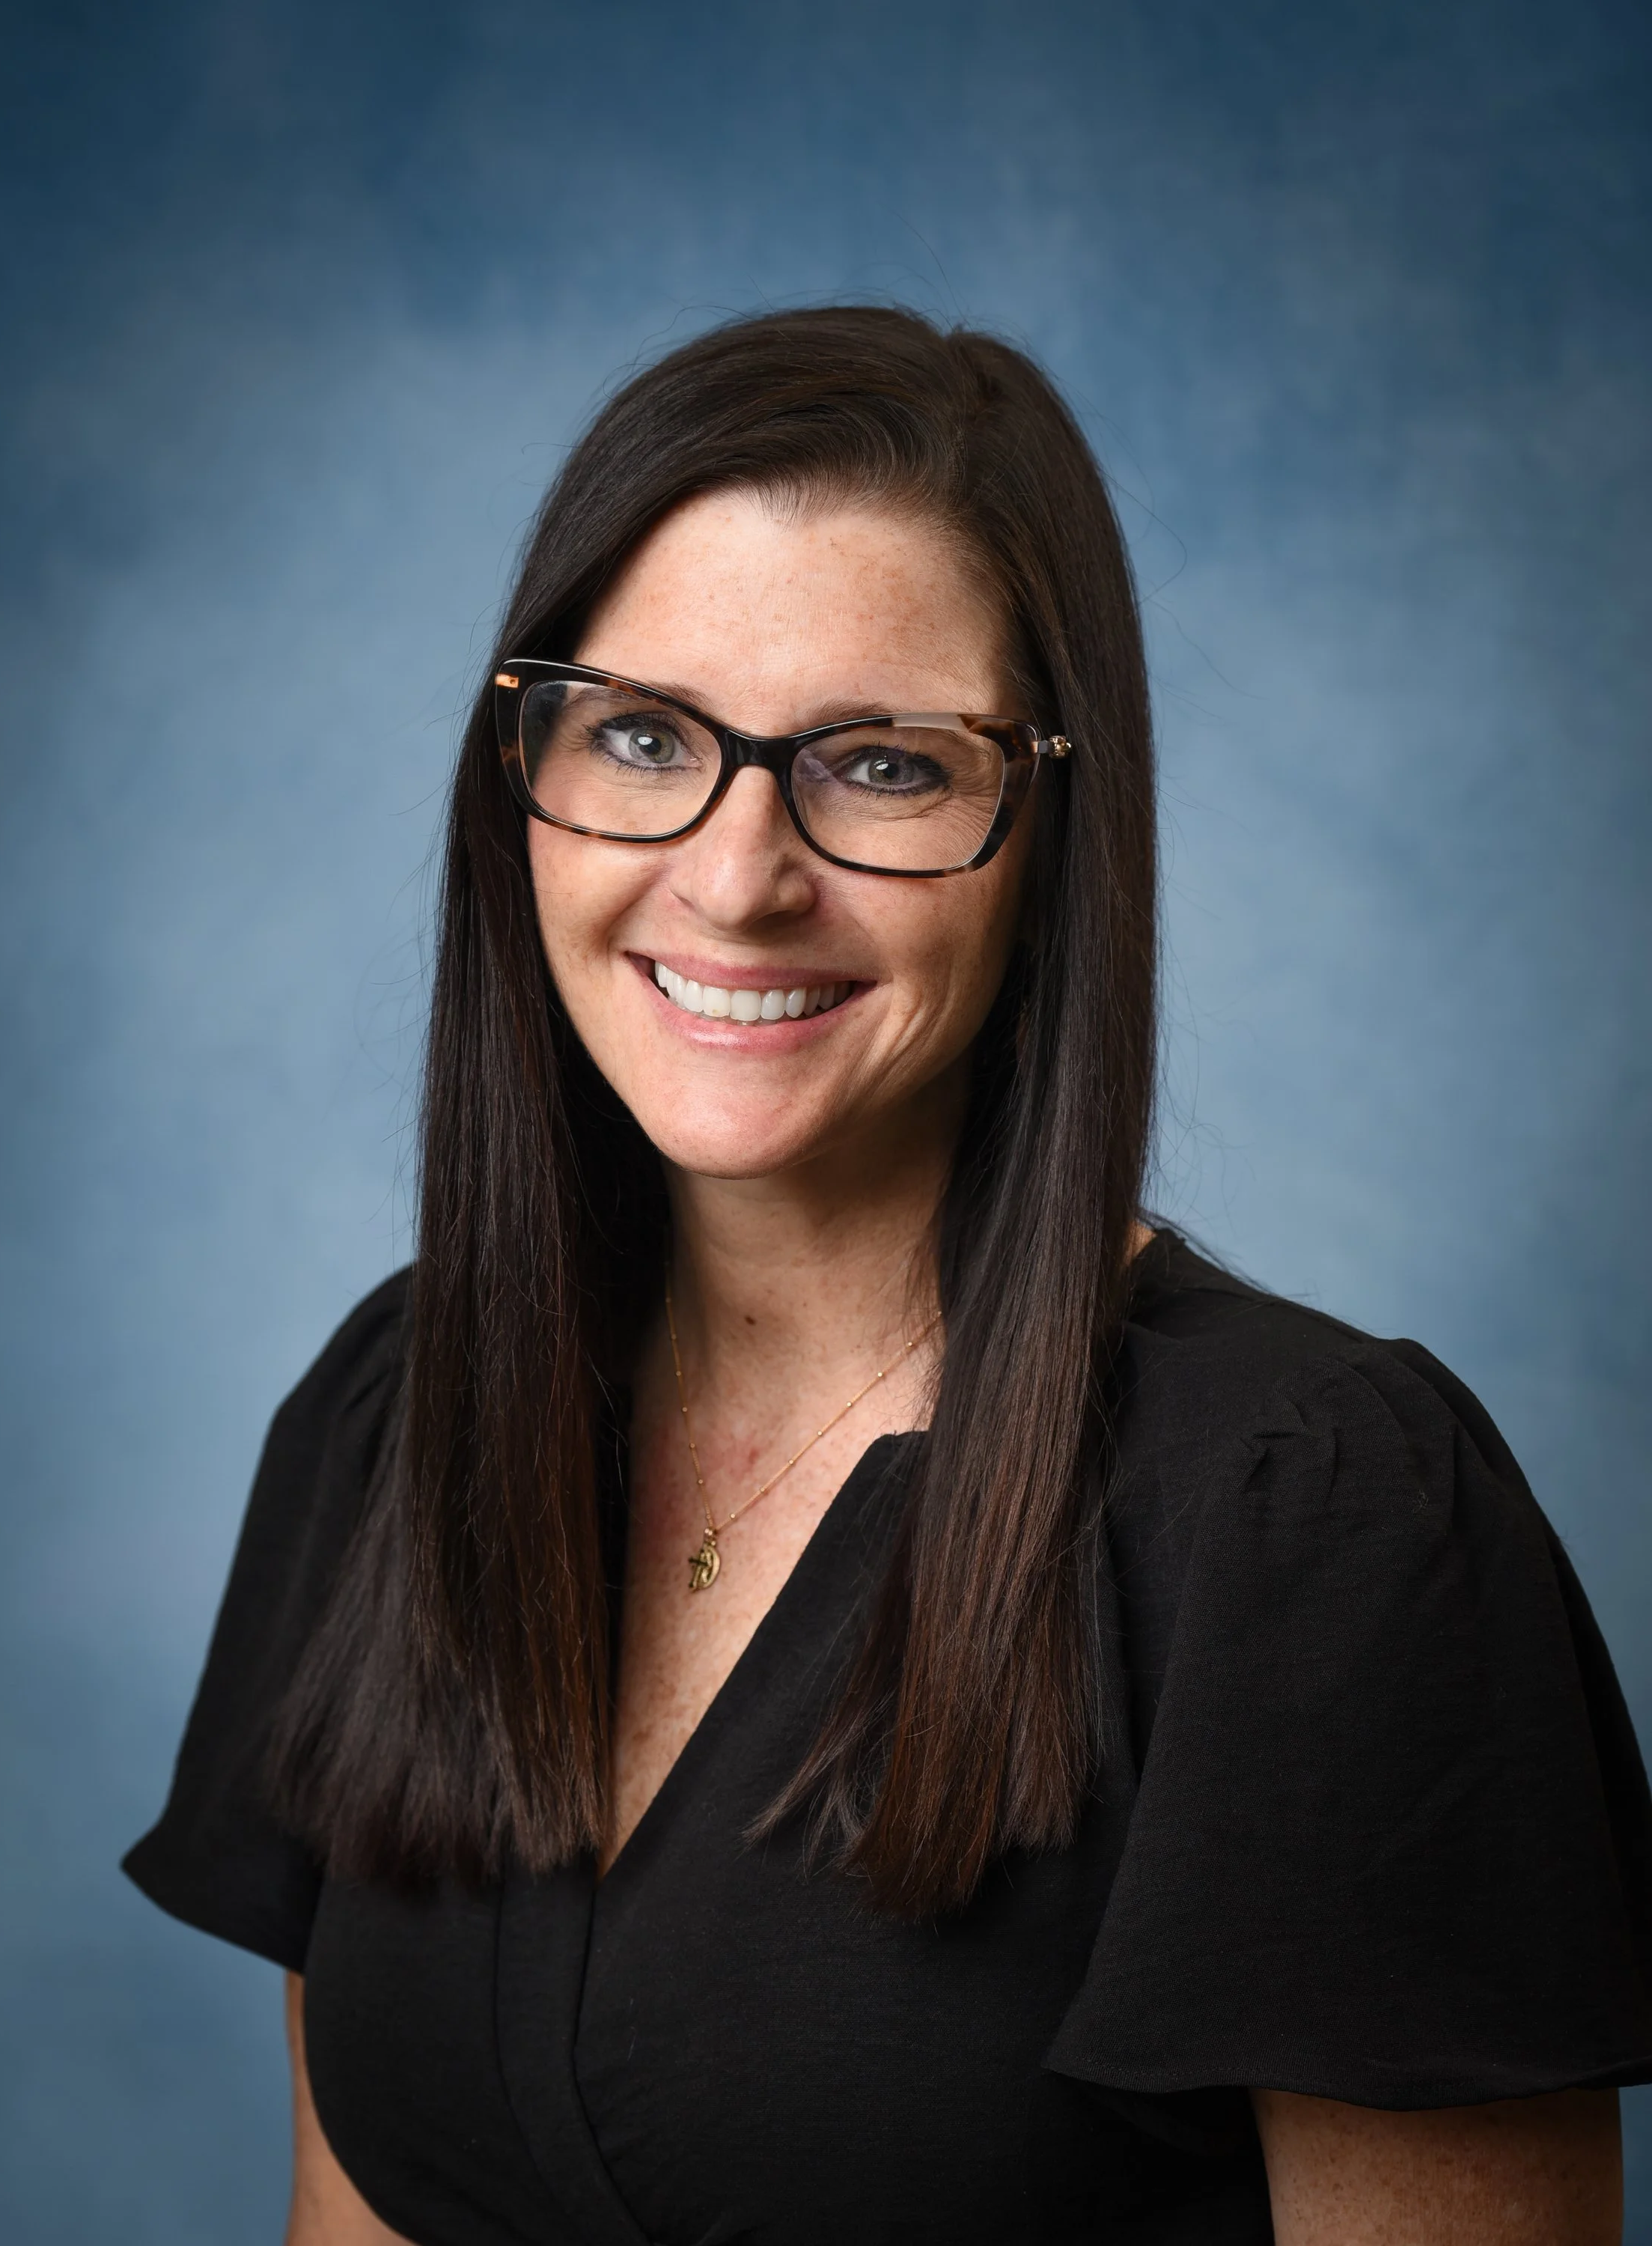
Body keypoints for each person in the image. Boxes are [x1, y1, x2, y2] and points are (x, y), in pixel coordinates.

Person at [125, 306, 1651, 2246]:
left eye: (880, 766)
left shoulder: (1319, 1523)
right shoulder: (401, 1410)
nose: (736, 876)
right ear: (521, 775)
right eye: (642, 736)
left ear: (1053, 836)